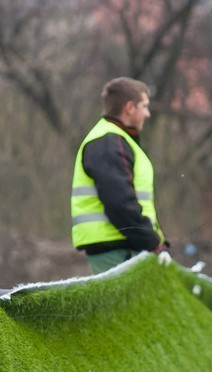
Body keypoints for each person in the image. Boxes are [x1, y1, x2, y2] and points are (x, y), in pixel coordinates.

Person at [70, 77, 169, 274]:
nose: (148, 114)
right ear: (130, 107)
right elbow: (120, 203)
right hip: (114, 247)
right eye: (145, 106)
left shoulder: (115, 139)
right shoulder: (108, 142)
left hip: (122, 244)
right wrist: (153, 244)